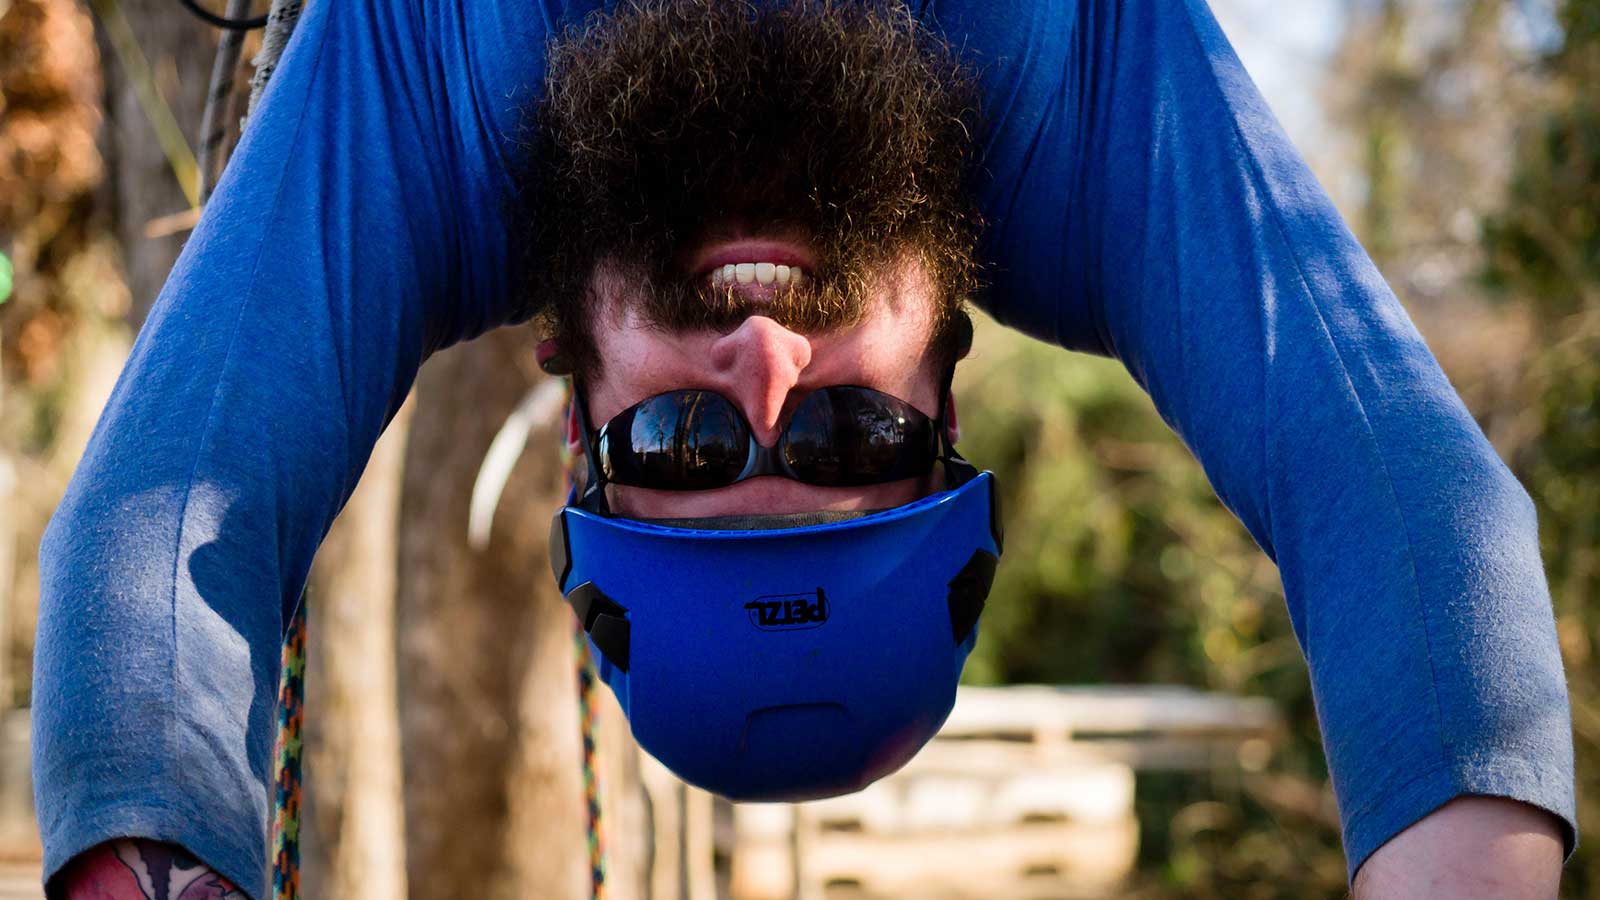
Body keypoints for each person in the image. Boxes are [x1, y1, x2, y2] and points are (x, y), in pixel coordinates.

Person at [36, 1, 1573, 898]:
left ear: (579, 419)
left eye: (687, 443)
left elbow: (170, 526)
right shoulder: (1074, 127)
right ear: (948, 402)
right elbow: (1411, 516)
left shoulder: (446, 117)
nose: (766, 362)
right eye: (852, 431)